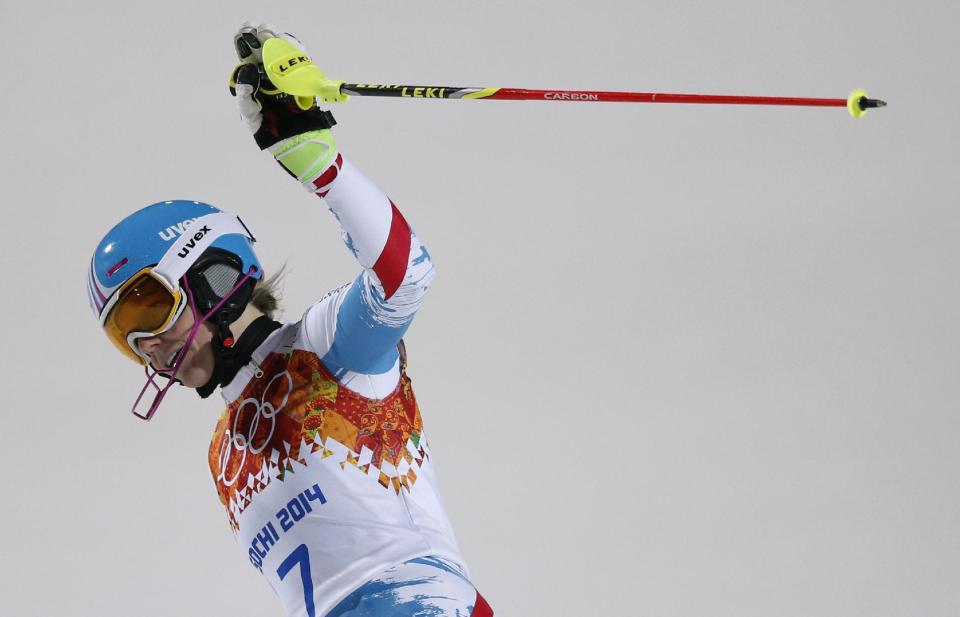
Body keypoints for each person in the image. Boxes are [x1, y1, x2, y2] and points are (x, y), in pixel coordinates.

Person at [86, 22, 493, 617]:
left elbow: (406, 275)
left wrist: (314, 160)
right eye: (127, 336)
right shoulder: (224, 448)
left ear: (210, 274)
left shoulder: (323, 347)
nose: (147, 343)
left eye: (149, 305)